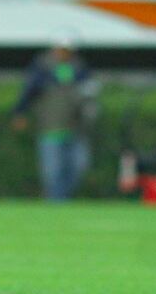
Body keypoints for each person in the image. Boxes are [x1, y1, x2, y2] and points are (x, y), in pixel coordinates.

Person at [11, 36, 97, 201]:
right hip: (50, 128)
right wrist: (19, 113)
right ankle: (56, 203)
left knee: (79, 166)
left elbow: (90, 97)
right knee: (53, 172)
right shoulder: (42, 68)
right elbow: (28, 92)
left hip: (76, 129)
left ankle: (63, 198)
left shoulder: (80, 69)